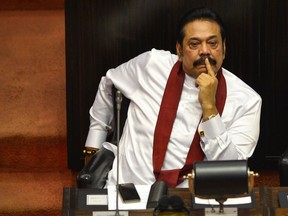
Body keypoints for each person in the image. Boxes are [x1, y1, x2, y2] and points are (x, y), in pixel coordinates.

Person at [83, 7, 262, 188]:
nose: (205, 51)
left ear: (224, 48)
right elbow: (108, 82)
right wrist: (93, 147)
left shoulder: (246, 101)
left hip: (193, 200)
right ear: (179, 50)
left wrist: (210, 108)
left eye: (213, 43)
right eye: (194, 44)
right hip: (128, 190)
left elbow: (230, 171)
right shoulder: (152, 65)